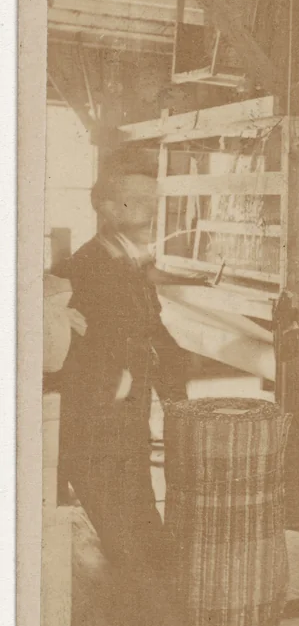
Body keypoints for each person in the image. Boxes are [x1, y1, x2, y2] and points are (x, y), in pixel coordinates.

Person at [57, 155, 189, 578]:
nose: (152, 208)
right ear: (107, 208)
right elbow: (94, 340)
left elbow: (150, 323)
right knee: (106, 472)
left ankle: (146, 555)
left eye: (154, 198)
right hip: (103, 393)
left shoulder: (130, 255)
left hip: (128, 391)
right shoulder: (89, 262)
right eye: (137, 200)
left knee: (131, 470)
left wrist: (172, 386)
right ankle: (136, 571)